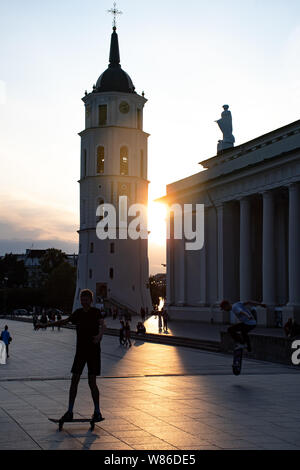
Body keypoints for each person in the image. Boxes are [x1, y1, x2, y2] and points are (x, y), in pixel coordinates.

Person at [36, 289, 105, 423]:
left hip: (94, 351)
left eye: (86, 299)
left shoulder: (96, 312)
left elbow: (103, 325)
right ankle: (69, 411)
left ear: (91, 300)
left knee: (92, 382)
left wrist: (99, 335)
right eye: (82, 299)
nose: (84, 301)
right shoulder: (78, 313)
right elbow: (64, 321)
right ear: (80, 300)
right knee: (75, 380)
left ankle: (97, 411)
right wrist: (45, 324)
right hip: (81, 351)